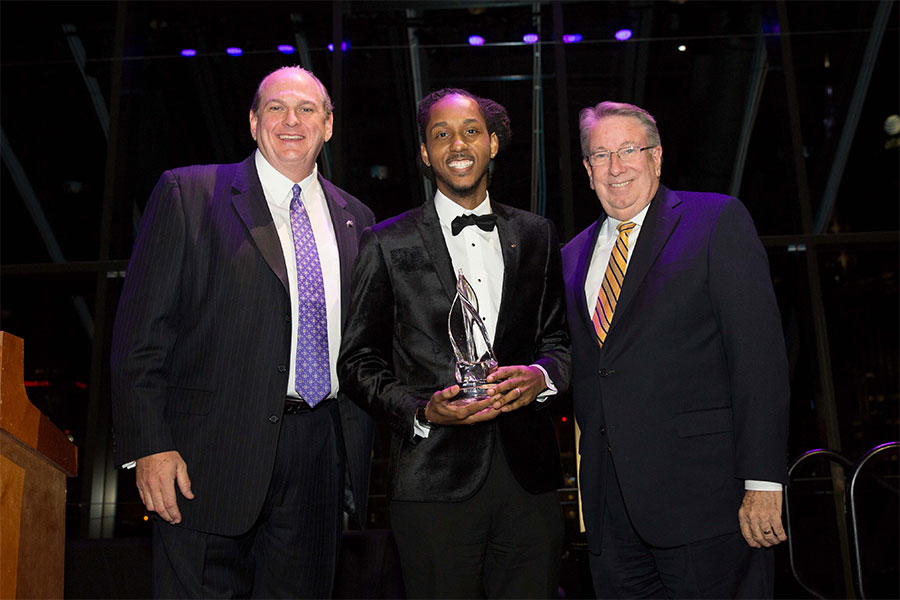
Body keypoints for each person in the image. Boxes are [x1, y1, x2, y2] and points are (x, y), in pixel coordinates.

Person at [110, 66, 375, 598]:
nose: (291, 121)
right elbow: (139, 337)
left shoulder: (358, 218)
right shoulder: (189, 193)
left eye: (307, 110)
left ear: (328, 126)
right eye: (276, 107)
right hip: (206, 457)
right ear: (254, 122)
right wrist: (150, 446)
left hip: (318, 456)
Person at [338, 88, 570, 598]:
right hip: (431, 482)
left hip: (528, 479)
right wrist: (423, 411)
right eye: (440, 134)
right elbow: (357, 362)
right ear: (425, 153)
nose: (457, 143)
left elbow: (559, 341)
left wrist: (542, 377)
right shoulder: (385, 241)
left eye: (470, 131)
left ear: (492, 143)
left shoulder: (537, 234)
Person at [562, 101, 790, 598]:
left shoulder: (716, 221)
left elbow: (759, 360)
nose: (615, 166)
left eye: (628, 150)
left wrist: (764, 483)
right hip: (611, 517)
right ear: (587, 169)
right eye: (600, 155)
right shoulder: (571, 255)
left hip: (706, 504)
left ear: (657, 157)